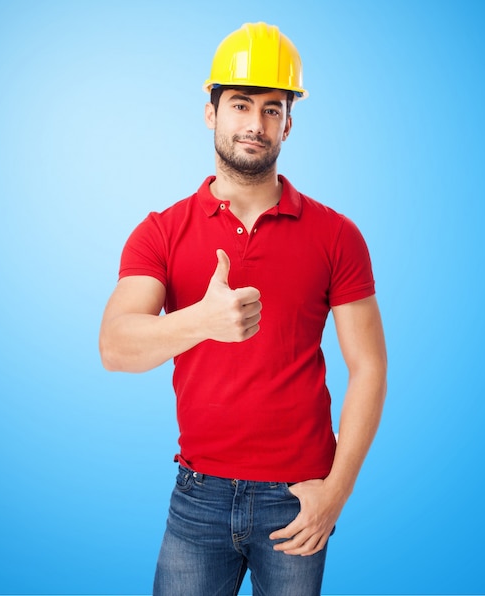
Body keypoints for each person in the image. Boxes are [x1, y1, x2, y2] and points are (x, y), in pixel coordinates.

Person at [99, 21, 387, 596]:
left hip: (297, 499)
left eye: (272, 108)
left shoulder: (337, 235)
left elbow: (370, 368)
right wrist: (201, 321)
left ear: (289, 122)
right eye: (239, 104)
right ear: (211, 113)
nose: (255, 124)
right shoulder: (160, 232)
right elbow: (115, 346)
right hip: (198, 495)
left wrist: (337, 490)